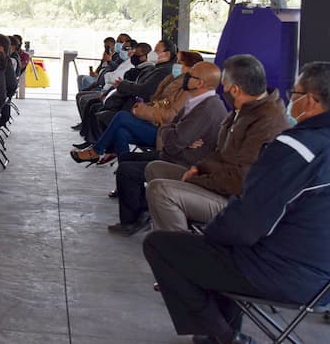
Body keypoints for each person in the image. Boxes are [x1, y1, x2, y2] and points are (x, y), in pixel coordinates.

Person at [144, 61, 330, 344]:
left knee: (163, 245)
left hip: (283, 272)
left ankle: (224, 337)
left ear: (312, 102)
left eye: (296, 93)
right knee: (220, 251)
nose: (291, 100)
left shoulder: (297, 149)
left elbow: (248, 222)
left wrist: (213, 235)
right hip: (321, 281)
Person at [145, 55, 290, 231]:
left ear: (235, 89)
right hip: (218, 183)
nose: (224, 90)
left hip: (237, 201)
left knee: (160, 190)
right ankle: (173, 227)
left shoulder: (266, 121)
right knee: (156, 169)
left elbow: (241, 180)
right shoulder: (242, 111)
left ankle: (177, 249)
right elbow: (221, 153)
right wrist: (199, 168)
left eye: (225, 86)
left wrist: (199, 180)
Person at [108, 62, 226, 236]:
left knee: (127, 169)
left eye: (190, 75)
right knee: (126, 158)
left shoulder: (207, 108)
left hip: (186, 163)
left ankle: (132, 220)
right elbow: (174, 129)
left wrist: (171, 131)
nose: (184, 75)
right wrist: (174, 131)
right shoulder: (197, 101)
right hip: (177, 154)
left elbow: (173, 141)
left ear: (200, 83)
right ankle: (143, 208)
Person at [71, 51, 203, 164]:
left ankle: (96, 151)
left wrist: (145, 111)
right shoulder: (171, 82)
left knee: (122, 117)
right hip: (155, 124)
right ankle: (125, 174)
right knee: (120, 132)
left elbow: (170, 115)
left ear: (192, 68)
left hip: (165, 132)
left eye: (180, 63)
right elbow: (158, 102)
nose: (176, 65)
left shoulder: (187, 90)